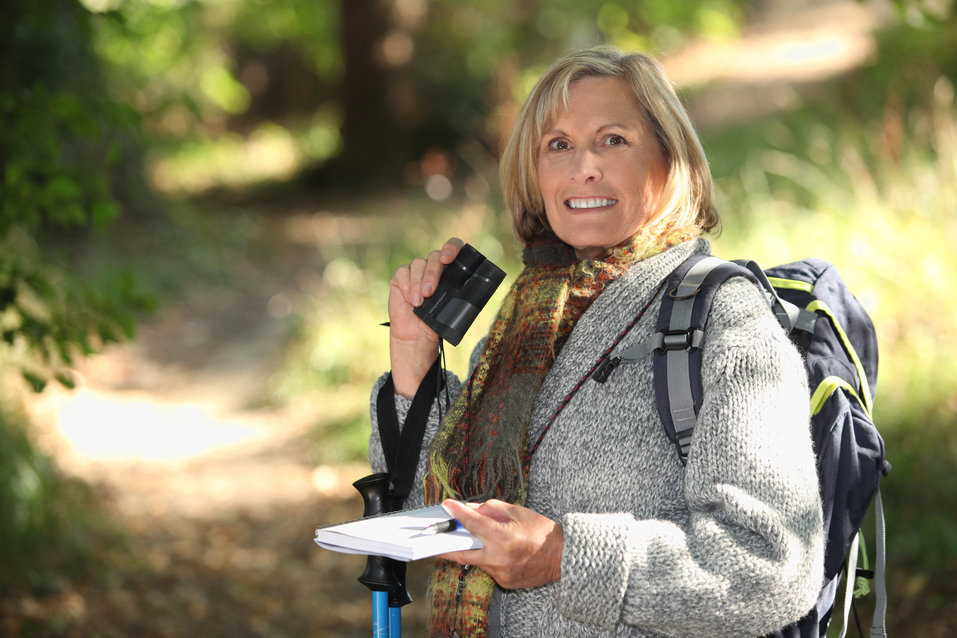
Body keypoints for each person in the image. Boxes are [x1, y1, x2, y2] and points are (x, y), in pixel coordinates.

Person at [369, 45, 824, 638]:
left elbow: (771, 566)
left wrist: (564, 555)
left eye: (613, 139)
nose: (584, 166)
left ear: (670, 159)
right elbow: (425, 511)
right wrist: (413, 355)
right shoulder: (524, 327)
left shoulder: (725, 320)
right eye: (557, 145)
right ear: (534, 173)